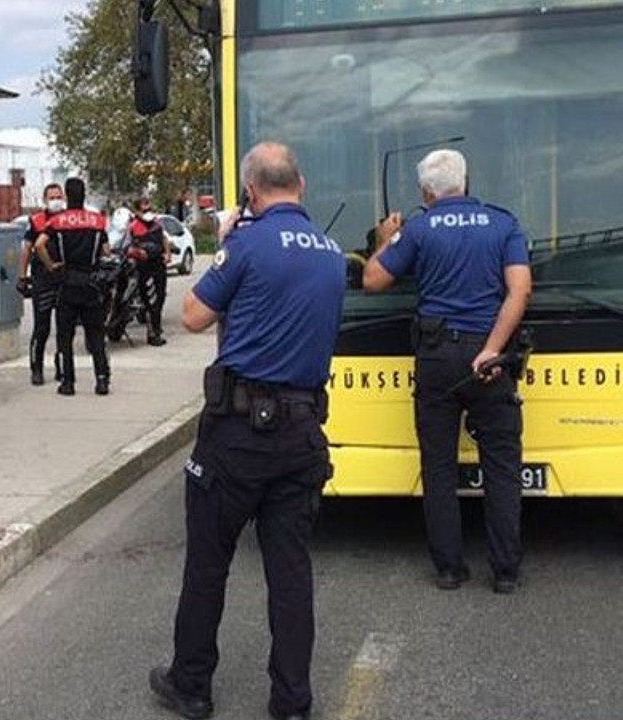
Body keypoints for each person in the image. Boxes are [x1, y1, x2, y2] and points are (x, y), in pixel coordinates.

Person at [150, 142, 346, 720]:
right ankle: (292, 700)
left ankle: (191, 684)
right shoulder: (332, 252)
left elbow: (191, 317)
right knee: (290, 569)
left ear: (251, 192)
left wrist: (231, 240)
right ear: (301, 185)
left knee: (208, 562)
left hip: (238, 436)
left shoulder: (249, 243)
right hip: (304, 433)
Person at [362, 149, 532, 594]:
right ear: (467, 182)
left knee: (438, 467)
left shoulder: (417, 229)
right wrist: (493, 349)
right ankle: (506, 571)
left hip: (436, 358)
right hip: (489, 359)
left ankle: (450, 569)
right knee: (502, 465)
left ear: (425, 192)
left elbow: (372, 281)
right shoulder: (503, 223)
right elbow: (520, 291)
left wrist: (385, 238)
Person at [34, 177, 112, 396]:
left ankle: (68, 382)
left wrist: (50, 265)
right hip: (91, 282)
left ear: (67, 196)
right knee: (95, 334)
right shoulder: (97, 221)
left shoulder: (57, 221)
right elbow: (106, 251)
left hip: (67, 282)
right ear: (84, 194)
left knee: (65, 336)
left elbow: (39, 245)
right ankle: (102, 379)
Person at [18, 183, 66, 385]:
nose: (55, 200)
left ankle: (62, 368)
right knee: (41, 328)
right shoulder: (36, 220)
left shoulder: (68, 219)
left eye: (58, 196)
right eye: (51, 197)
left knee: (65, 327)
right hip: (43, 278)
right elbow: (27, 249)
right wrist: (22, 276)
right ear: (45, 199)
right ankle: (36, 369)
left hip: (64, 278)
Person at [128, 197, 171, 347]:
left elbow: (164, 239)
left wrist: (167, 254)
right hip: (144, 267)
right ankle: (153, 333)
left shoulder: (156, 224)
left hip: (158, 265)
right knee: (150, 300)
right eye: (144, 209)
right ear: (137, 211)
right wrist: (137, 252)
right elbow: (127, 246)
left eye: (149, 208)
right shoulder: (133, 226)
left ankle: (156, 328)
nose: (148, 212)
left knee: (160, 297)